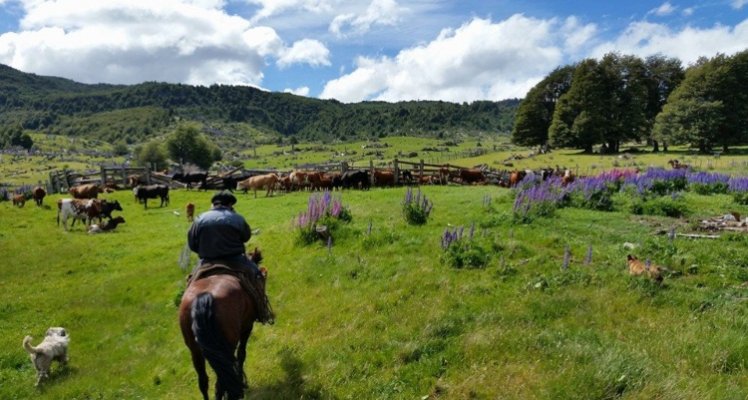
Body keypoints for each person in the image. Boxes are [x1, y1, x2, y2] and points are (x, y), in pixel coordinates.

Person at [187, 190, 273, 324]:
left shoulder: (199, 219)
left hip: (207, 261)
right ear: (230, 204)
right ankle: (263, 311)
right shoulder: (237, 218)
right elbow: (246, 237)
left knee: (191, 281)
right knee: (257, 275)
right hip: (235, 260)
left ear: (213, 204)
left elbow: (192, 244)